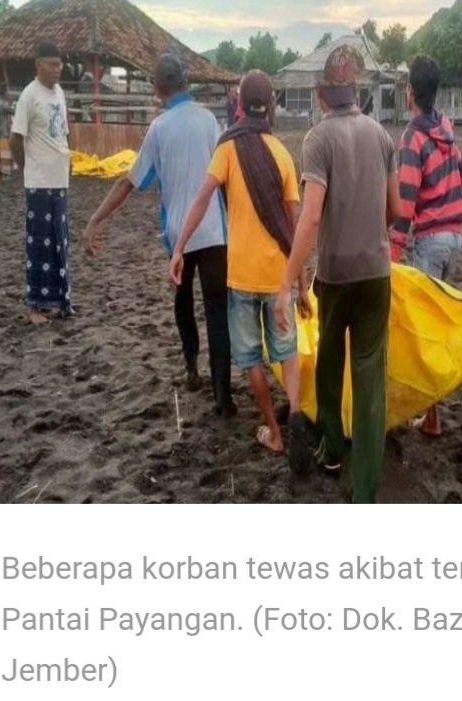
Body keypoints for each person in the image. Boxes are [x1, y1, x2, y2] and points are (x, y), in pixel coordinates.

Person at [275, 45, 401, 504]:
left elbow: (310, 218)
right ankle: (364, 490)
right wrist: (370, 233)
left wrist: (287, 284)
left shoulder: (317, 139)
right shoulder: (382, 136)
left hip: (333, 274)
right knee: (370, 381)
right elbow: (395, 209)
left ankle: (330, 449)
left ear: (319, 92)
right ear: (357, 90)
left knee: (329, 362)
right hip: (375, 275)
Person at [170, 70, 312, 472]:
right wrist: (301, 286)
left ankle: (275, 432)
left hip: (241, 276)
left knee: (251, 359)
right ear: (271, 105)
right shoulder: (282, 154)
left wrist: (179, 248)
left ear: (239, 106)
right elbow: (293, 230)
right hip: (278, 278)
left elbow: (202, 198)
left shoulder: (228, 148)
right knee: (287, 353)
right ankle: (295, 412)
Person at [82, 54, 235, 416]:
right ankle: (222, 394)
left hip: (179, 235)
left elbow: (129, 181)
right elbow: (225, 176)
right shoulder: (208, 119)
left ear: (158, 88)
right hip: (214, 231)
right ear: (186, 82)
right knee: (217, 311)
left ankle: (191, 368)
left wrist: (96, 219)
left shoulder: (159, 128)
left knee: (183, 301)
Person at [390, 54, 462, 437]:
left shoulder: (412, 138)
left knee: (422, 330)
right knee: (432, 323)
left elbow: (406, 199)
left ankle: (431, 416)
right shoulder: (445, 129)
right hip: (454, 237)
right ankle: (432, 414)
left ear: (409, 92)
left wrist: (393, 249)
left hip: (430, 241)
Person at [10, 41, 73, 325]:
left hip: (60, 181)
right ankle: (35, 307)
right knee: (38, 243)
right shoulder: (29, 95)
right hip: (38, 182)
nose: (57, 69)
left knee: (59, 242)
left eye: (59, 64)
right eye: (51, 64)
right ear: (38, 65)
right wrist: (28, 170)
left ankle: (57, 302)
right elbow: (15, 139)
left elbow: (64, 133)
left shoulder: (59, 93)